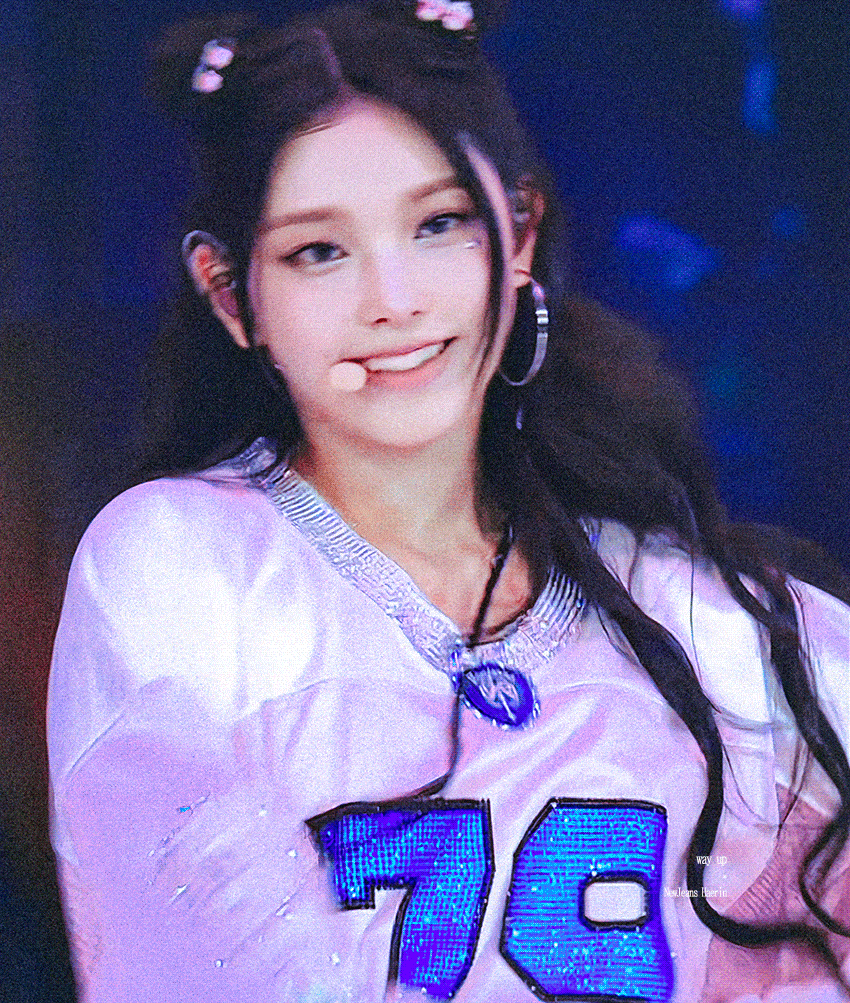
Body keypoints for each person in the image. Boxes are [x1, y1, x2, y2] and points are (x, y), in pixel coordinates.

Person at [47, 2, 850, 1000]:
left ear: (517, 235)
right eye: (318, 251)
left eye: (438, 225)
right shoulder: (182, 568)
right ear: (229, 293)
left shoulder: (693, 613)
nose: (394, 299)